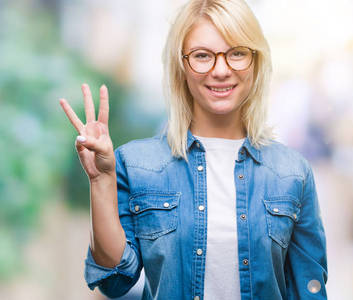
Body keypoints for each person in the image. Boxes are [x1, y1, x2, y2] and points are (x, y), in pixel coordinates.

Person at [59, 0, 327, 299]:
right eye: (202, 56)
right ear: (181, 66)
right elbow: (114, 280)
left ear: (256, 61)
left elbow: (309, 289)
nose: (221, 70)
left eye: (237, 53)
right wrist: (100, 181)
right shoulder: (136, 165)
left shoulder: (292, 172)